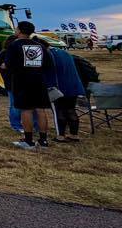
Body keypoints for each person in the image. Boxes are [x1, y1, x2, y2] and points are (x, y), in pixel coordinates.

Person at [5, 21, 55, 149]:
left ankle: (28, 141)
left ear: (19, 31)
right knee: (40, 110)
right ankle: (43, 141)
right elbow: (49, 64)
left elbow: (8, 64)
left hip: (23, 82)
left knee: (26, 110)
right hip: (39, 81)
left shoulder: (14, 46)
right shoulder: (40, 46)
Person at [51, 46, 85, 142]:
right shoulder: (64, 53)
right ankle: (74, 135)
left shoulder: (50, 54)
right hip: (73, 85)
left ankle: (60, 136)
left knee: (60, 111)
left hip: (59, 86)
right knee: (70, 109)